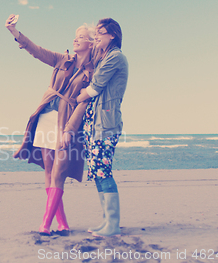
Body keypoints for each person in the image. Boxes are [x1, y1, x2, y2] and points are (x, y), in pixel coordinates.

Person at [5, 14, 95, 236]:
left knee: (59, 172)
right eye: (75, 36)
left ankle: (44, 225)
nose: (76, 40)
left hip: (67, 122)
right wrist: (15, 33)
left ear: (91, 44)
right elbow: (37, 51)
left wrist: (70, 130)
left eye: (81, 37)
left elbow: (84, 104)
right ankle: (62, 223)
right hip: (46, 116)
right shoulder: (62, 59)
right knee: (48, 170)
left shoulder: (93, 72)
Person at [75, 18, 129, 237]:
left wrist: (80, 96)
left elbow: (94, 88)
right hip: (95, 123)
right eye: (95, 33)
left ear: (112, 35)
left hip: (105, 124)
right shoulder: (104, 56)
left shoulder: (116, 57)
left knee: (103, 171)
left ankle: (113, 224)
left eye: (100, 33)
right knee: (97, 172)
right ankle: (107, 221)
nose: (96, 36)